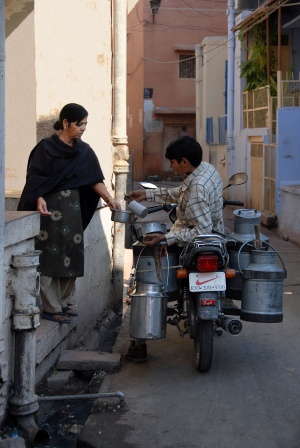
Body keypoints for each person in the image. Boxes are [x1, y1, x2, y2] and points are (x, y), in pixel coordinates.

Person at [18, 103, 121, 324]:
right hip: (50, 211)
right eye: (79, 123)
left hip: (73, 211)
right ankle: (50, 306)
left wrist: (109, 199)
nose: (83, 128)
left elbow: (95, 179)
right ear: (66, 123)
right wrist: (39, 198)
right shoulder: (45, 149)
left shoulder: (84, 152)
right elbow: (35, 181)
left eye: (85, 124)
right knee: (50, 256)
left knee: (72, 254)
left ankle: (63, 302)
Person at [124, 135, 224, 361]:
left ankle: (139, 344)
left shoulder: (197, 189)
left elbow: (201, 231)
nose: (170, 165)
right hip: (217, 241)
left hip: (195, 241)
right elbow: (180, 192)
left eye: (173, 162)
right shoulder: (206, 170)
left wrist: (165, 238)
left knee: (146, 270)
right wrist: (148, 194)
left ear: (185, 162)